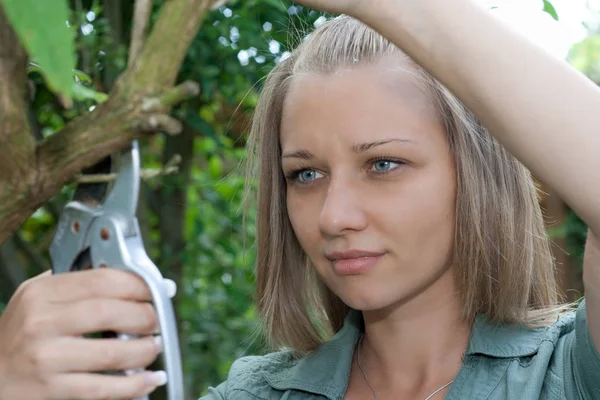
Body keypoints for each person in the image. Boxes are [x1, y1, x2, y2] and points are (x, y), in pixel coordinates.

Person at [0, 0, 599, 399]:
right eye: (305, 175)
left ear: (475, 175)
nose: (334, 217)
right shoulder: (253, 396)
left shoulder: (567, 375)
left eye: (383, 164)